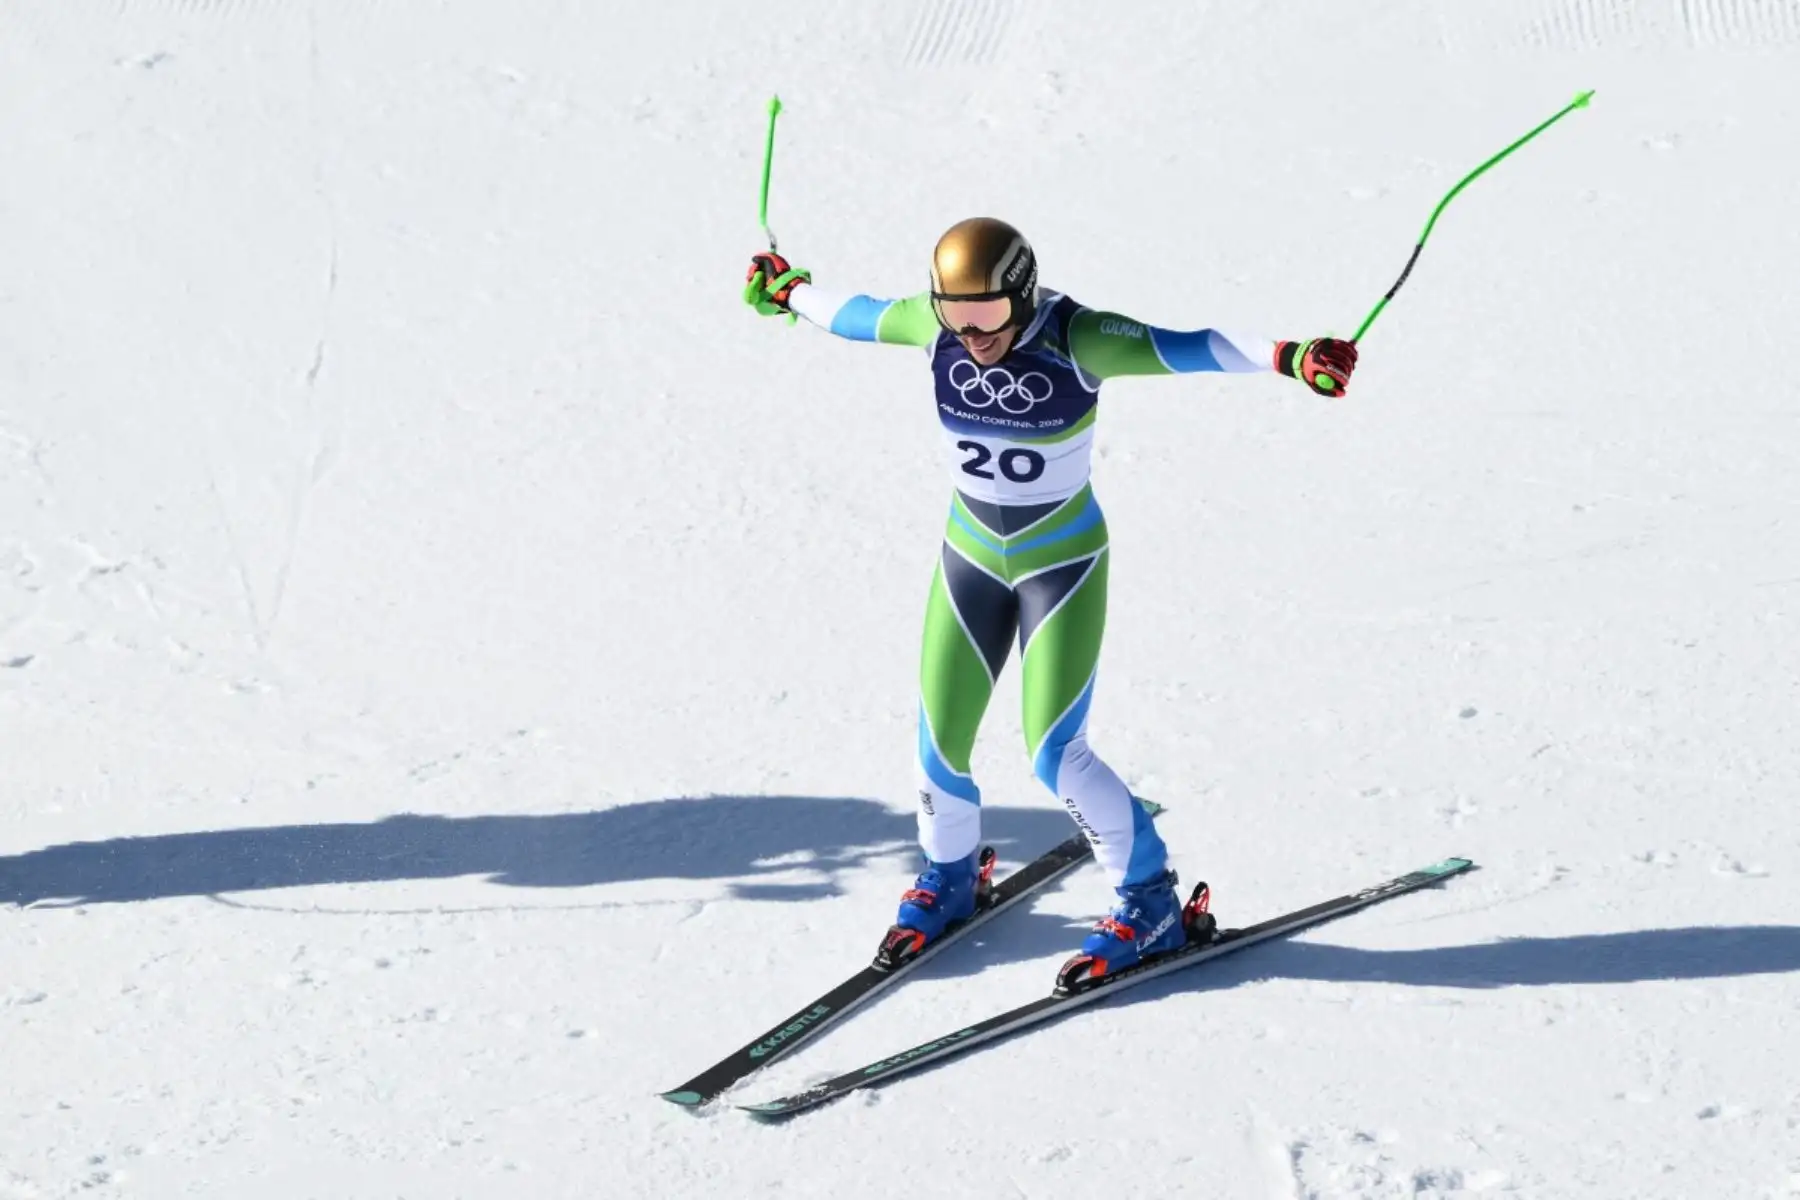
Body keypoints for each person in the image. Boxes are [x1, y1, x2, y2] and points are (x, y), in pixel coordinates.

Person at [743, 218, 1357, 986]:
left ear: (1022, 295)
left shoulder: (1080, 338)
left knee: (1053, 753)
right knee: (939, 738)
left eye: (988, 314)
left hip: (1060, 565)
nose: (971, 333)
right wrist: (790, 291)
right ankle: (949, 878)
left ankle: (1151, 902)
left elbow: (1187, 344)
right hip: (968, 558)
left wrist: (1289, 358)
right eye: (952, 313)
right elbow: (857, 313)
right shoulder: (936, 327)